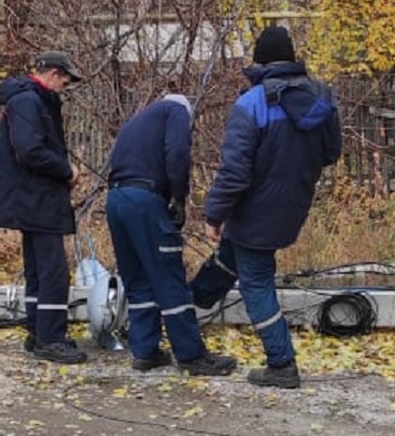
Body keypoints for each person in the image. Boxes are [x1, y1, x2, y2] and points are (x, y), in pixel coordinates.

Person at [199, 26, 342, 388]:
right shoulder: (322, 97)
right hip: (293, 203)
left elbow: (234, 172)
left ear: (259, 61)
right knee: (233, 255)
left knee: (255, 282)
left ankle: (281, 363)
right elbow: (331, 153)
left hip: (254, 208)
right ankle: (191, 307)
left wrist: (214, 214)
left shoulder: (252, 104)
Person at [105, 93, 237, 376]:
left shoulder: (137, 121)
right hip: (144, 201)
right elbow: (177, 154)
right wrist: (178, 197)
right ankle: (191, 355)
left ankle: (146, 351)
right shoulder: (176, 111)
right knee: (169, 277)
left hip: (116, 199)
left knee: (138, 278)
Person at [0, 51, 87, 364]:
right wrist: (66, 170)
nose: (65, 89)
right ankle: (50, 339)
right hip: (36, 199)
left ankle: (38, 331)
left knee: (38, 270)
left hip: (32, 199)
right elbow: (31, 151)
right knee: (53, 271)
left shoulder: (30, 101)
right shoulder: (28, 102)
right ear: (54, 74)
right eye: (65, 81)